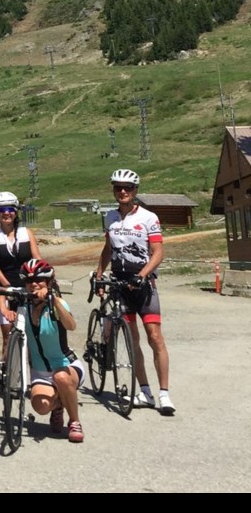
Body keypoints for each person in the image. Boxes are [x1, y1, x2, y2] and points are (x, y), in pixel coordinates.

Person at [94, 168, 174, 415]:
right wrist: (98, 274)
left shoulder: (149, 217)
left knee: (155, 337)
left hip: (143, 285)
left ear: (135, 190)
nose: (123, 191)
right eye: (118, 187)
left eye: (127, 187)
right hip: (120, 285)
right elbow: (108, 248)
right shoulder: (109, 217)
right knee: (133, 341)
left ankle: (164, 394)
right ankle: (145, 391)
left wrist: (141, 276)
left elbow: (158, 252)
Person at [20, 258, 85, 443]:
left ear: (48, 282)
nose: (34, 284)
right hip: (41, 371)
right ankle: (59, 406)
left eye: (39, 280)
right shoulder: (23, 307)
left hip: (66, 366)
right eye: (29, 281)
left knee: (61, 378)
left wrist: (54, 300)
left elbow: (71, 326)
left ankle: (74, 421)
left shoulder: (57, 304)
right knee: (40, 406)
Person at [0, 191, 43, 357]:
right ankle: (7, 373)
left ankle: (34, 373)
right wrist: (8, 287)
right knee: (8, 334)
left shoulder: (27, 233)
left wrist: (46, 277)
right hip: (3, 289)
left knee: (32, 333)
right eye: (2, 210)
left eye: (10, 209)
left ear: (15, 212)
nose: (6, 213)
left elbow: (37, 259)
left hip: (27, 287)